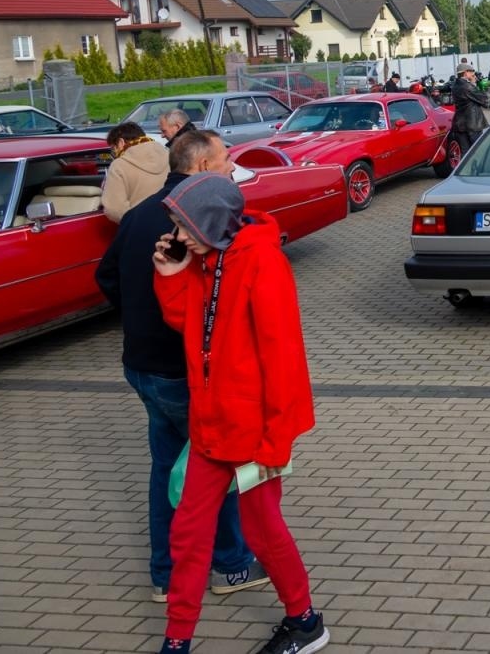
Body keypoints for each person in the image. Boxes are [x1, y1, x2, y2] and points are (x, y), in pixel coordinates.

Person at [151, 172, 325, 654]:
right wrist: (170, 277)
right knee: (187, 533)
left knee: (262, 532)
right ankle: (177, 638)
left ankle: (305, 621)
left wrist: (276, 439)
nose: (179, 236)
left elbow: (284, 355)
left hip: (254, 431)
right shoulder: (210, 262)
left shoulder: (261, 262)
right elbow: (191, 326)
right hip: (211, 425)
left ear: (208, 222)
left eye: (184, 226)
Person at [95, 131, 268, 608]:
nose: (232, 168)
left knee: (166, 467)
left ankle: (165, 574)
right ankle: (231, 565)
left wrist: (136, 318)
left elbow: (106, 275)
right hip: (183, 373)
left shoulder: (137, 215)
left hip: (141, 366)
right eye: (226, 160)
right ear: (202, 166)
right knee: (217, 466)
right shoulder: (198, 223)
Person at [103, 122, 171, 223]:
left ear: (121, 142)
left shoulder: (119, 165)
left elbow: (114, 209)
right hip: (171, 223)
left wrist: (136, 223)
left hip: (141, 228)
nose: (114, 153)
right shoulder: (168, 154)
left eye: (114, 148)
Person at [449, 64, 490, 155]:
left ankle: (466, 169)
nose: (474, 75)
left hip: (460, 125)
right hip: (472, 124)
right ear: (466, 73)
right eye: (472, 73)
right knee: (479, 152)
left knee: (466, 154)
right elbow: (486, 101)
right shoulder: (467, 86)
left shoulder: (455, 86)